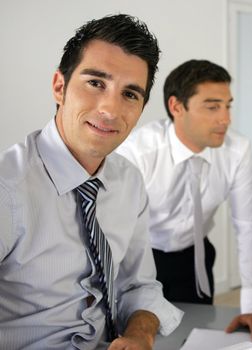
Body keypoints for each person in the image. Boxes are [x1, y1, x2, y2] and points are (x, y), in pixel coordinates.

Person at [0, 14, 183, 349]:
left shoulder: (128, 182)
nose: (111, 109)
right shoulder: (6, 188)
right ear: (59, 86)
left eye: (130, 94)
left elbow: (137, 286)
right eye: (96, 83)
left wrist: (140, 334)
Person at [117, 59, 252, 345]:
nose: (226, 119)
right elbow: (116, 231)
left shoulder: (237, 150)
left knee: (195, 334)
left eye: (228, 105)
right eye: (212, 106)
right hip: (140, 258)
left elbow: (249, 226)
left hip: (196, 257)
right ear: (177, 107)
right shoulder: (138, 153)